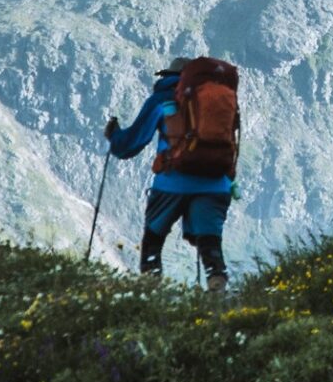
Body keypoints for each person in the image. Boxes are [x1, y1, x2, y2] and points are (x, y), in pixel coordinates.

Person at [103, 56, 240, 292]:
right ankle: (216, 283)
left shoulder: (162, 100)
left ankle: (151, 289)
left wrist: (114, 136)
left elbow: (130, 144)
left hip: (173, 182)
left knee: (153, 240)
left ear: (170, 76)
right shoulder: (220, 99)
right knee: (210, 243)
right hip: (216, 183)